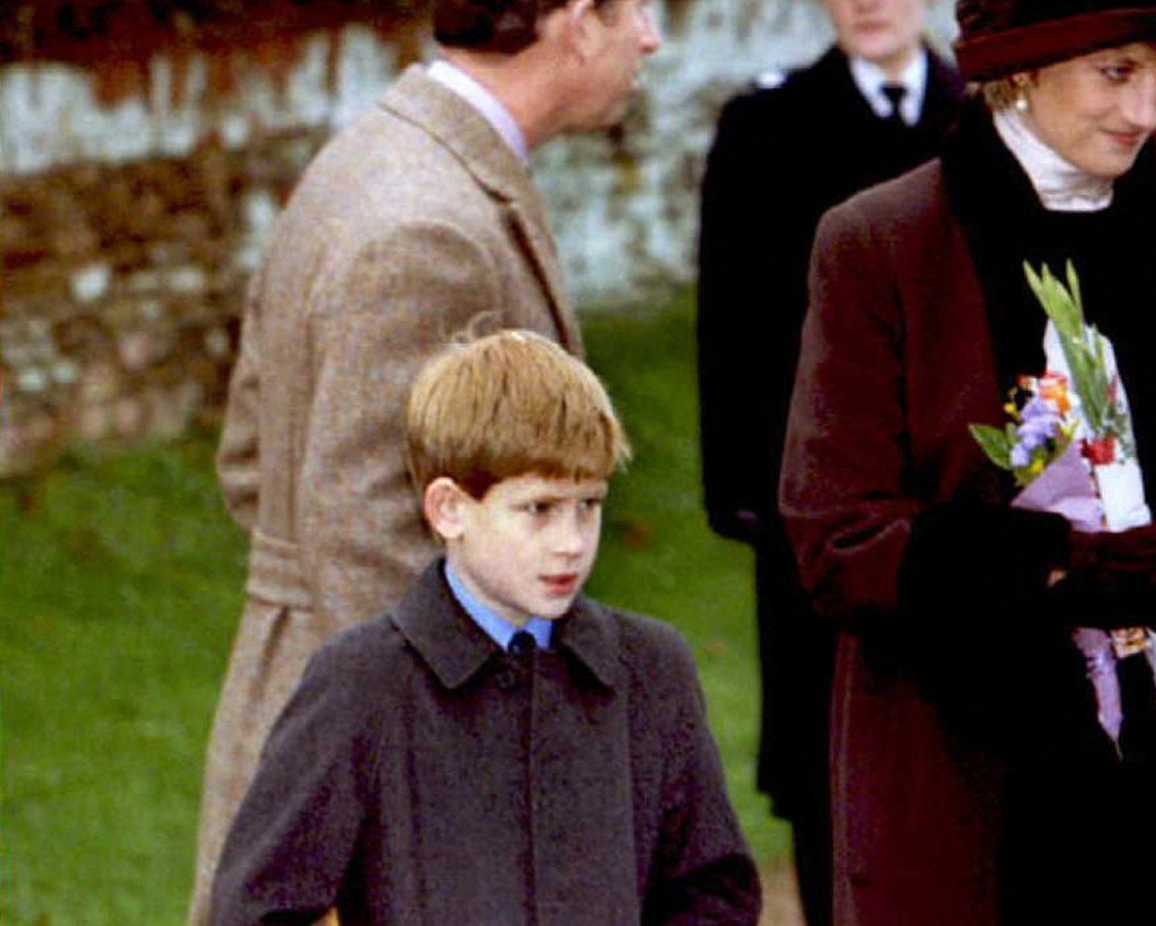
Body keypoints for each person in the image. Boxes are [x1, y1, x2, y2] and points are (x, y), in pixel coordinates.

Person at [779, 0, 1156, 926]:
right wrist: (1059, 566)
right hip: (970, 801)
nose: (1145, 110)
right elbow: (837, 540)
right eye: (1116, 72)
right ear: (1017, 69)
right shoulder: (879, 244)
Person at [191, 0, 662, 919]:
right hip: (377, 781)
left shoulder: (381, 158)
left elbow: (251, 465)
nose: (652, 40)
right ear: (576, 22)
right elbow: (365, 528)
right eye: (638, 8)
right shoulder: (428, 224)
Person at [209, 330, 761, 924]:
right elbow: (259, 909)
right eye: (538, 509)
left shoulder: (651, 669)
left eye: (589, 505)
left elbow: (714, 890)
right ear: (448, 509)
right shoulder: (361, 684)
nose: (571, 543)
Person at [695, 0, 960, 925]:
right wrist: (748, 499)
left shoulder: (979, 121)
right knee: (818, 757)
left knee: (953, 738)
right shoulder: (767, 128)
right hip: (816, 507)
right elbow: (734, 325)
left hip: (951, 498)